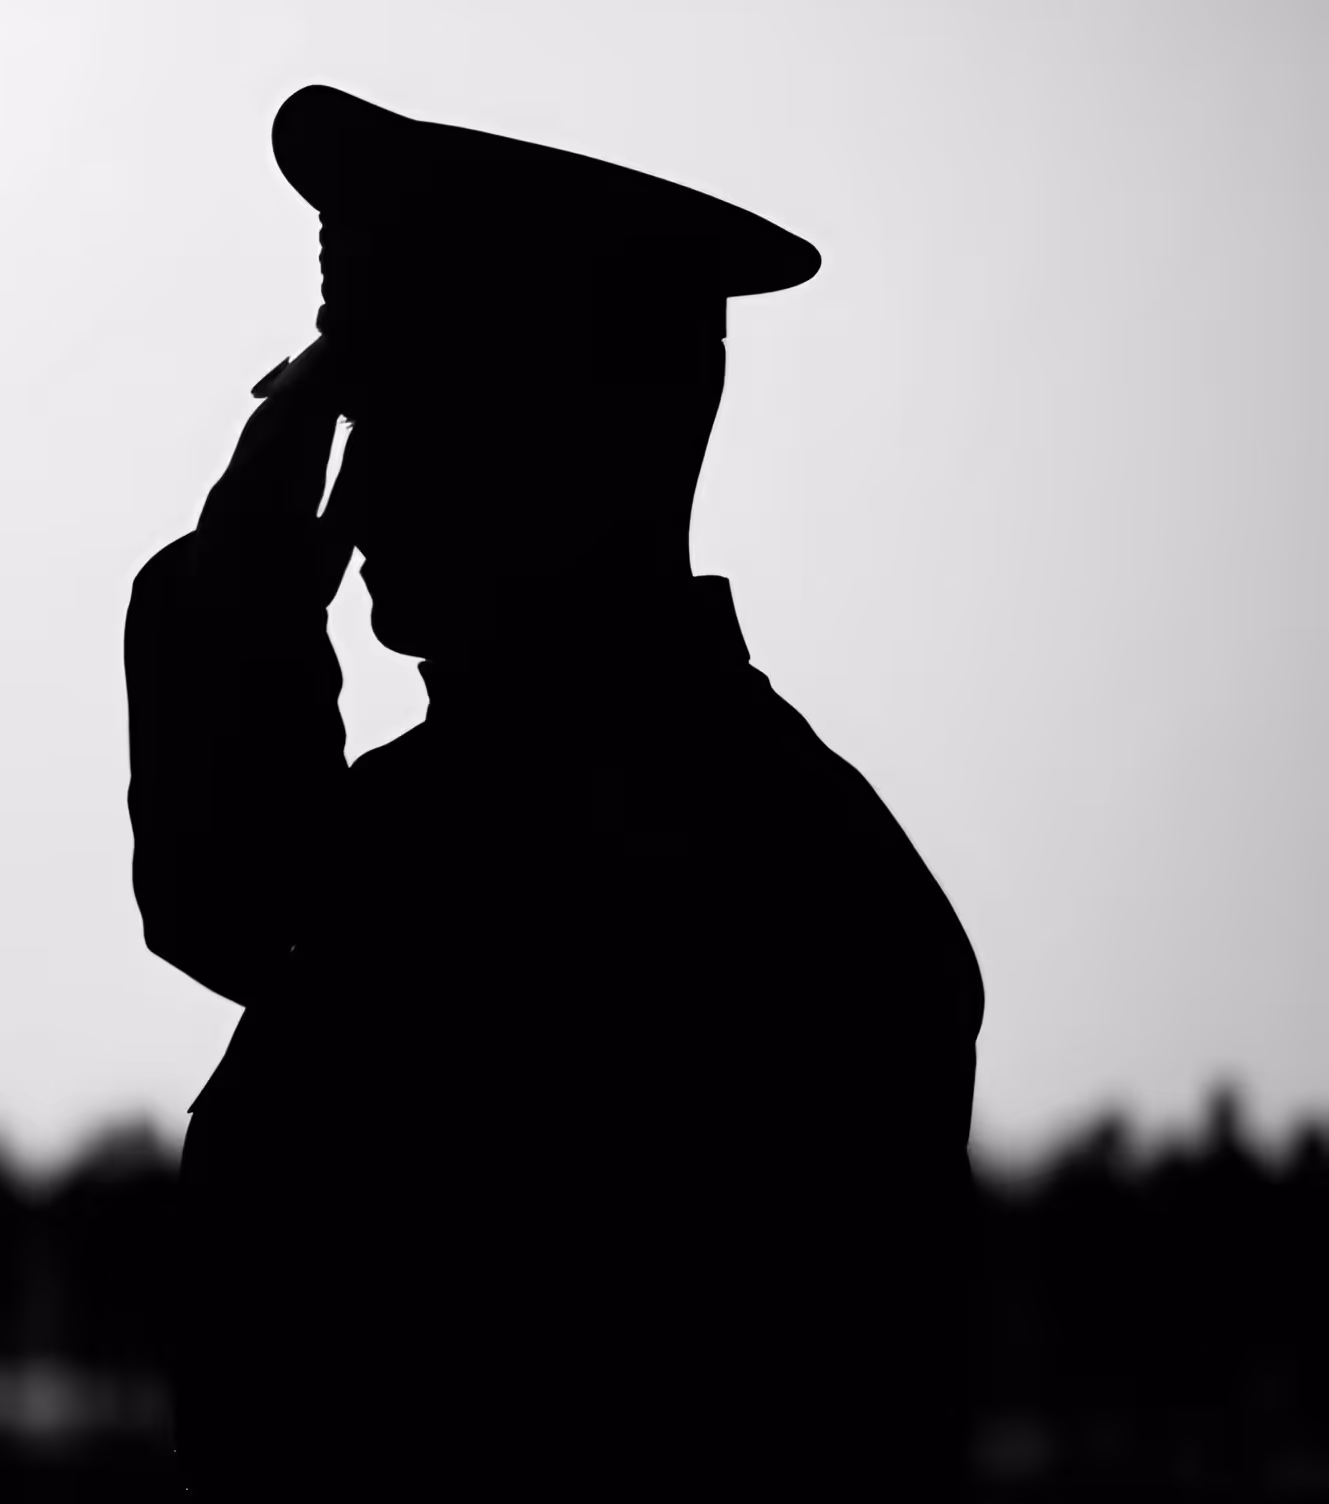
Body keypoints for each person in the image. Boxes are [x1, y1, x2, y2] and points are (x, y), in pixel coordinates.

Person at [126, 85, 983, 1499]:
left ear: (569, 441)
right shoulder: (512, 812)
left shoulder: (695, 857)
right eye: (351, 424)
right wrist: (237, 601)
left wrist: (240, 601)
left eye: (403, 421)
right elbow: (238, 904)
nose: (355, 492)